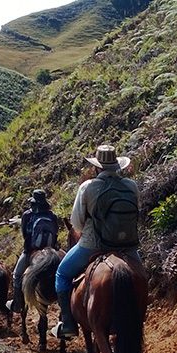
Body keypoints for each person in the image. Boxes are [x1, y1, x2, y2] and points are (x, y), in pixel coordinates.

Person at [51, 145, 142, 339]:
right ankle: (140, 316)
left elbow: (76, 222)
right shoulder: (131, 186)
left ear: (96, 168)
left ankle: (67, 323)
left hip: (92, 244)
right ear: (118, 166)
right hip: (128, 247)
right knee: (142, 278)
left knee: (62, 274)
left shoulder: (88, 187)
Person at [6, 189, 61, 312]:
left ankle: (17, 304)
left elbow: (25, 234)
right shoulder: (52, 215)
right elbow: (56, 232)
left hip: (31, 250)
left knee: (17, 275)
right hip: (51, 248)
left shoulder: (27, 215)